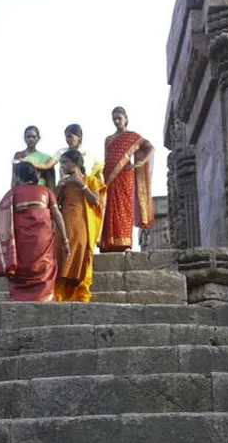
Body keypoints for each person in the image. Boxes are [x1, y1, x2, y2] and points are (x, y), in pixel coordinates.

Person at [0, 161, 69, 301]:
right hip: (42, 237)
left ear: (18, 176)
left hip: (21, 238)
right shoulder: (46, 191)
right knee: (44, 266)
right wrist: (65, 240)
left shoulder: (13, 193)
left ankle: (20, 299)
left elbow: (1, 211)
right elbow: (57, 215)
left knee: (22, 268)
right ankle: (44, 299)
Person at [98, 106, 154, 252]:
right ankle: (108, 242)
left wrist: (141, 162)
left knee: (125, 208)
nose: (117, 121)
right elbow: (106, 159)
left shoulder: (133, 137)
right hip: (109, 177)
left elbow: (150, 147)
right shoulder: (108, 139)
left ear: (126, 119)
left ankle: (125, 243)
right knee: (109, 208)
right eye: (114, 119)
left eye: (119, 118)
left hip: (125, 176)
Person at [55, 149, 106, 302]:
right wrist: (60, 186)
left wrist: (81, 184)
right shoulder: (64, 183)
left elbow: (96, 202)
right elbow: (55, 204)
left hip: (83, 226)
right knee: (62, 258)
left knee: (81, 259)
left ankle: (81, 294)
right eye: (61, 163)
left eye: (65, 162)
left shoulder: (91, 181)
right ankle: (59, 295)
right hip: (64, 226)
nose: (62, 166)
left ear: (76, 163)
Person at [34, 124, 101, 183]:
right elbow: (47, 165)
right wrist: (29, 163)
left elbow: (99, 170)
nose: (67, 139)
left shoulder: (88, 151)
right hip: (67, 185)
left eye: (70, 136)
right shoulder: (61, 152)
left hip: (86, 185)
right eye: (66, 137)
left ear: (79, 137)